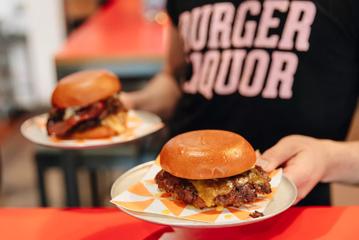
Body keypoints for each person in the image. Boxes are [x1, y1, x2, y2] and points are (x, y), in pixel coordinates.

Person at [121, 0, 359, 205]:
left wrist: (328, 157)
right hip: (177, 212)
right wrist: (133, 103)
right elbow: (174, 78)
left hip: (293, 212)